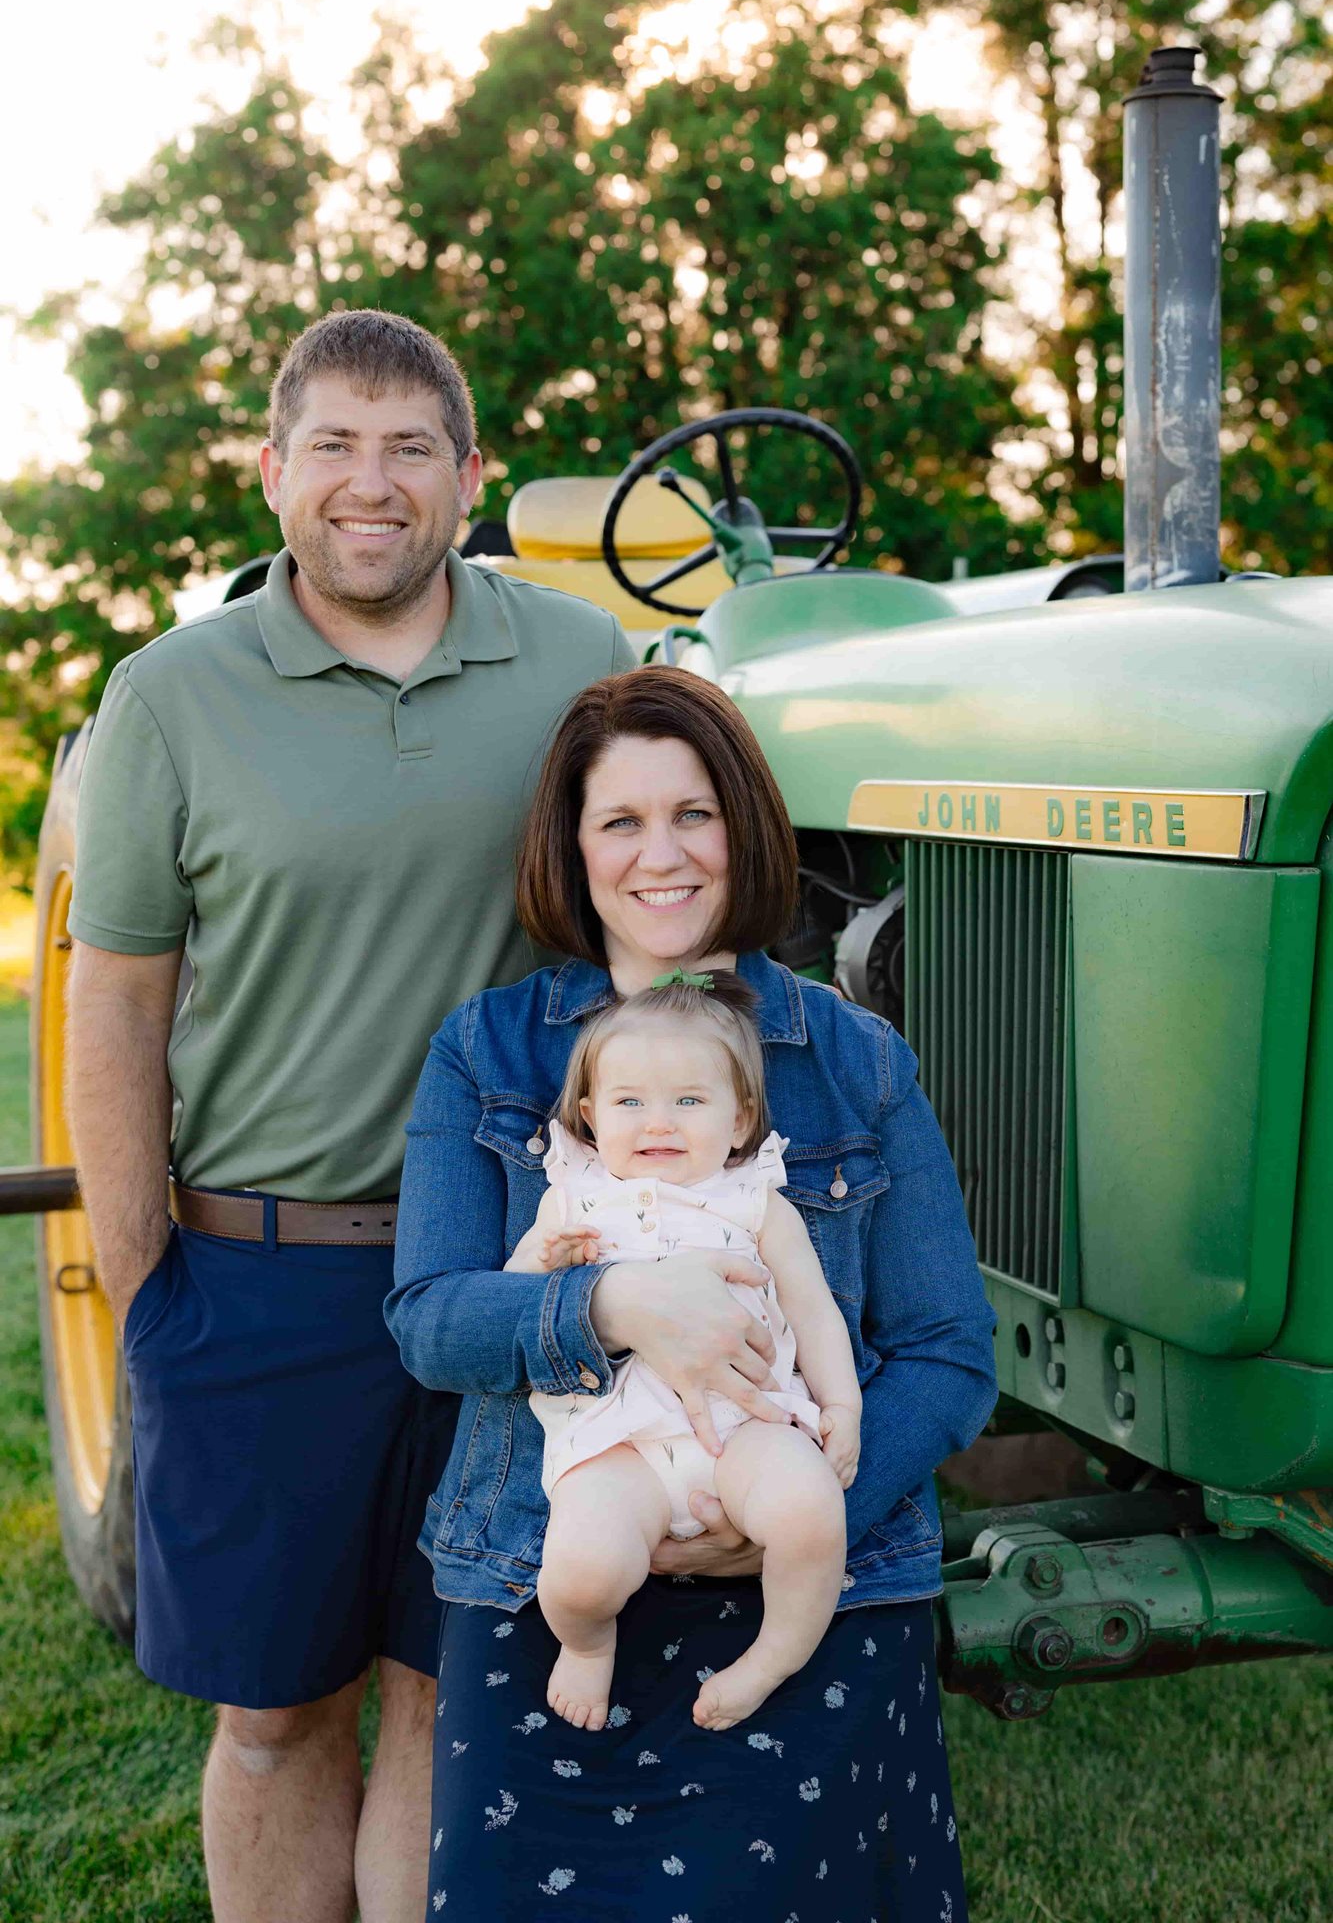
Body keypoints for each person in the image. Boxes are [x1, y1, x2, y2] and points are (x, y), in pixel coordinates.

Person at [64, 307, 636, 1923]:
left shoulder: (579, 664)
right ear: (272, 473)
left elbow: (661, 903)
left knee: (447, 1698)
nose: (366, 484)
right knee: (272, 1716)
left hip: (502, 1275)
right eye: (331, 444)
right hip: (259, 1282)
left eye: (406, 449)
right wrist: (144, 1280)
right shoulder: (170, 696)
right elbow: (116, 998)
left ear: (470, 475)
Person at [388, 664, 997, 1921]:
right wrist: (610, 1306)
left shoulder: (854, 1060)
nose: (659, 854)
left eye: (694, 814)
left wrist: (796, 1497)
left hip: (813, 1577)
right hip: (540, 1567)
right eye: (620, 820)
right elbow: (432, 1320)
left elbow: (947, 1353)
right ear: (572, 848)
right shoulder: (489, 1052)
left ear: (747, 827)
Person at [504, 970, 862, 1734]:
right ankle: (589, 1643)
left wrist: (841, 1404)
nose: (657, 1121)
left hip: (748, 1426)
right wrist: (539, 1257)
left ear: (739, 1121)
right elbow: (508, 1311)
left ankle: (774, 1656)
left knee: (809, 1513)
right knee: (579, 1570)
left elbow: (813, 1310)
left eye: (689, 1101)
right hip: (616, 1442)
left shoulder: (754, 1202)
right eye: (630, 1102)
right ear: (592, 1116)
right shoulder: (571, 1201)